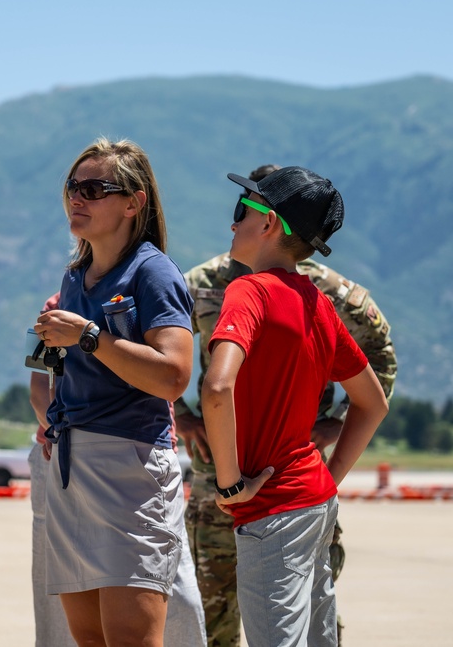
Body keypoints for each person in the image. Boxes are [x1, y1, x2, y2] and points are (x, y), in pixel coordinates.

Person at [176, 166, 397, 647]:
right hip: (315, 499)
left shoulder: (247, 290)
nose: (233, 224)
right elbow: (373, 404)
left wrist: (231, 484)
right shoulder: (317, 302)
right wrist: (330, 477)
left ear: (269, 223)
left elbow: (217, 388)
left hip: (270, 510)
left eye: (242, 210)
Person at [33, 138, 195, 646]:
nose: (76, 198)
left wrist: (88, 335)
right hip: (71, 465)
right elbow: (54, 373)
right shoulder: (75, 277)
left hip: (131, 467)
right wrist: (54, 420)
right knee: (91, 640)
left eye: (93, 188)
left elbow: (173, 376)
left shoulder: (153, 272)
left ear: (133, 202)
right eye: (72, 187)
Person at [29, 293, 206, 647]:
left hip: (139, 458)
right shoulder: (57, 305)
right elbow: (39, 380)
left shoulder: (149, 288)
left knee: (171, 591)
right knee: (70, 606)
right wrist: (55, 428)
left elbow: (170, 372)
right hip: (62, 457)